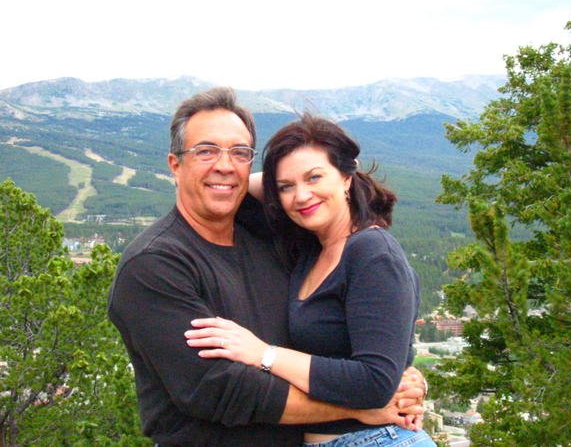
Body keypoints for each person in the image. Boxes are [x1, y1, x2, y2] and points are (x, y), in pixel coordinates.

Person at [108, 88, 426, 446]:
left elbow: (364, 333)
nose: (224, 165)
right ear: (175, 165)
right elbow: (221, 390)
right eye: (206, 151)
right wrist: (358, 408)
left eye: (240, 153)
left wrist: (401, 377)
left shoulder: (272, 239)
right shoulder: (156, 264)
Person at [184, 114, 435, 446]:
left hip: (379, 439)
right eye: (286, 187)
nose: (301, 196)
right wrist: (280, 176)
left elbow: (376, 382)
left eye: (315, 177)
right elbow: (233, 191)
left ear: (347, 177)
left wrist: (264, 354)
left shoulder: (372, 253)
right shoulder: (309, 249)